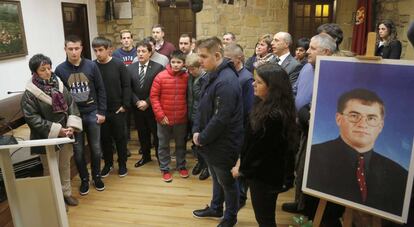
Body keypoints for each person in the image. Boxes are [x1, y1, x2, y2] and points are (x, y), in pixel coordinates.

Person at [308, 88, 408, 216]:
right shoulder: (314, 157)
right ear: (338, 119)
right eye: (354, 116)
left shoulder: (399, 175)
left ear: (380, 126)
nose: (362, 124)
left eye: (371, 118)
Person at [232, 63, 297, 227]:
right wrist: (241, 160)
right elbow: (251, 141)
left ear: (273, 88)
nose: (253, 84)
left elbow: (259, 151)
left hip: (265, 177)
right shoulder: (264, 104)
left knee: (265, 218)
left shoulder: (273, 116)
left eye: (259, 82)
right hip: (262, 173)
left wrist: (241, 169)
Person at [283, 33, 337, 217]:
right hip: (300, 124)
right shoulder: (307, 67)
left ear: (327, 52)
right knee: (299, 165)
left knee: (310, 169)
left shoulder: (333, 75)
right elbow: (296, 90)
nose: (307, 52)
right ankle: (300, 202)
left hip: (317, 131)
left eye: (313, 48)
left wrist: (305, 113)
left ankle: (309, 209)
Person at [192, 37, 243, 227]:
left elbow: (221, 118)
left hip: (223, 143)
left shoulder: (226, 81)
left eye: (203, 57)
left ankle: (230, 218)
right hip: (210, 141)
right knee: (216, 178)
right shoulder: (212, 74)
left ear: (217, 55)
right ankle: (215, 207)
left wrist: (202, 137)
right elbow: (202, 105)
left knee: (227, 183)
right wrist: (197, 130)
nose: (200, 61)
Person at [21, 54, 83, 208]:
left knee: (64, 166)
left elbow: (71, 105)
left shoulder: (59, 85)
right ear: (34, 73)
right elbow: (32, 118)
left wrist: (71, 127)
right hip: (46, 137)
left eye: (49, 68)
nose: (48, 72)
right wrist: (57, 130)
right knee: (50, 169)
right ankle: (54, 199)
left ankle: (66, 194)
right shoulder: (30, 94)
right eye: (43, 70)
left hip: (65, 135)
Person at [55, 35, 107, 196]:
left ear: (81, 48)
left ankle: (96, 176)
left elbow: (100, 89)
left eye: (76, 48)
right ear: (65, 49)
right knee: (77, 151)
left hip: (92, 112)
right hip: (73, 117)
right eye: (70, 49)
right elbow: (59, 97)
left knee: (96, 149)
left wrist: (102, 112)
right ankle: (84, 179)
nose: (74, 52)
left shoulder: (91, 66)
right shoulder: (59, 70)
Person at [92, 37, 131, 179]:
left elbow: (126, 86)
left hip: (117, 109)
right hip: (101, 111)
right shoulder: (92, 66)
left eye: (101, 50)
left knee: (120, 138)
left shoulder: (119, 64)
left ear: (109, 49)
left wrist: (124, 106)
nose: (98, 54)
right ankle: (108, 164)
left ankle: (122, 164)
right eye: (95, 50)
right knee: (104, 139)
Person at [150, 50, 189, 182]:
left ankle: (181, 165)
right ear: (170, 62)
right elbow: (153, 97)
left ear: (183, 63)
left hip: (181, 118)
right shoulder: (160, 76)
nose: (176, 65)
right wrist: (160, 115)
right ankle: (165, 168)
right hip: (163, 119)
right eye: (173, 62)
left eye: (179, 62)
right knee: (163, 145)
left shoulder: (187, 77)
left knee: (180, 144)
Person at [223, 43, 254, 209]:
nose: (226, 62)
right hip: (232, 130)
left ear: (239, 58)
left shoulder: (246, 78)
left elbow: (249, 110)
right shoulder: (233, 74)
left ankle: (240, 197)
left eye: (229, 59)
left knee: (240, 165)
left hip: (241, 130)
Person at [128, 40, 164, 168]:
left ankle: (161, 158)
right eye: (138, 51)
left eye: (143, 51)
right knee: (142, 134)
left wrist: (147, 102)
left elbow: (161, 89)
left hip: (153, 107)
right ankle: (146, 156)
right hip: (137, 108)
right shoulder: (130, 68)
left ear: (150, 53)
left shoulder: (158, 67)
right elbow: (128, 88)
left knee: (156, 134)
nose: (140, 54)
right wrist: (137, 101)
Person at [186, 53, 210, 180]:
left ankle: (207, 166)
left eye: (192, 69)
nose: (190, 72)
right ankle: (200, 162)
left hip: (202, 116)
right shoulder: (190, 77)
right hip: (192, 114)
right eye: (188, 69)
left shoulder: (206, 78)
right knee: (195, 144)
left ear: (200, 66)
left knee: (203, 143)